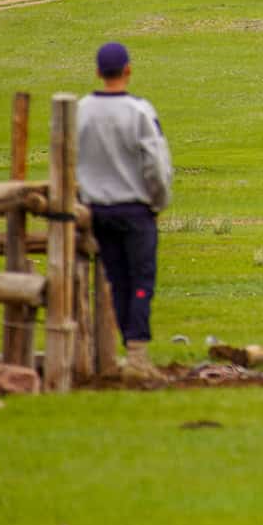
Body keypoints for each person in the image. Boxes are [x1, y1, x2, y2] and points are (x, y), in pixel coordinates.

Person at [77, 41, 174, 385]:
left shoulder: (81, 111)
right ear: (128, 69)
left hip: (97, 210)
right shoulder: (139, 112)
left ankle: (128, 349)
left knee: (117, 281)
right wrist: (158, 202)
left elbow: (72, 160)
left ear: (98, 72)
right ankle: (137, 356)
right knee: (141, 281)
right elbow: (155, 165)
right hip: (135, 209)